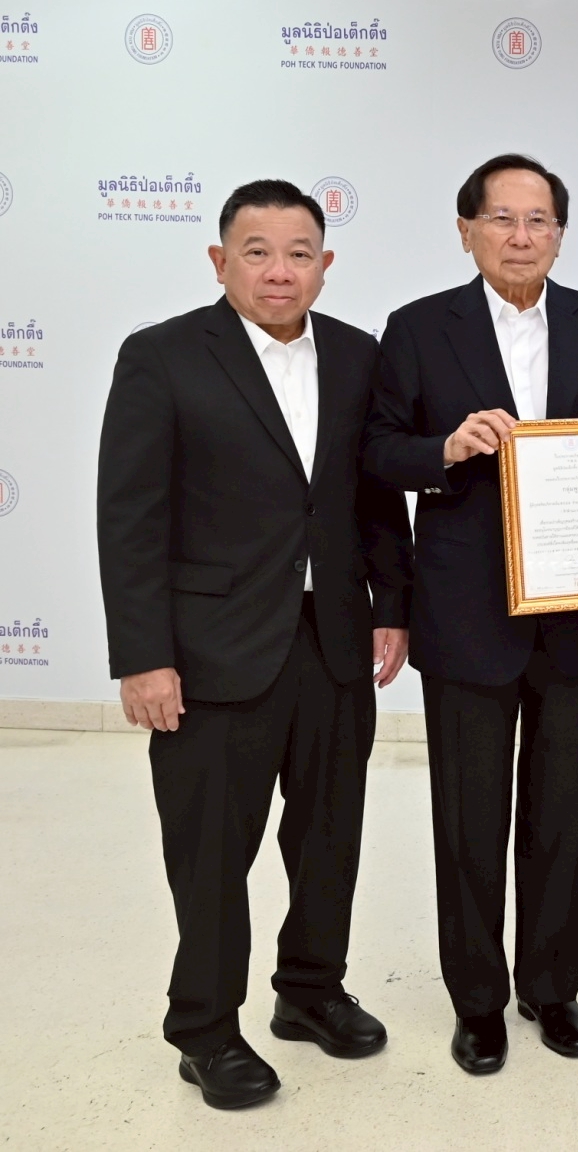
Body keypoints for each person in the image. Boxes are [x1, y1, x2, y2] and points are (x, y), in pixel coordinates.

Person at [97, 179, 411, 1110]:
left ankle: (309, 991)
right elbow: (130, 517)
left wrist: (391, 604)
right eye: (258, 252)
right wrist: (143, 656)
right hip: (210, 651)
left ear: (325, 263)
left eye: (299, 253)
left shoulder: (357, 355)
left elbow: (373, 497)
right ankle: (204, 1029)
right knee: (211, 853)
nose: (280, 271)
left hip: (332, 641)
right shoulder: (161, 357)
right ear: (219, 260)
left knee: (329, 837)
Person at [364, 153, 578, 1074]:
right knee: (468, 821)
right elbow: (376, 454)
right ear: (466, 230)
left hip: (574, 612)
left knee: (562, 815)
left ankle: (552, 989)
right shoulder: (417, 328)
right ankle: (477, 1001)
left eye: (539, 221)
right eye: (503, 219)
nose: (522, 237)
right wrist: (445, 449)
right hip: (464, 612)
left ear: (560, 233)